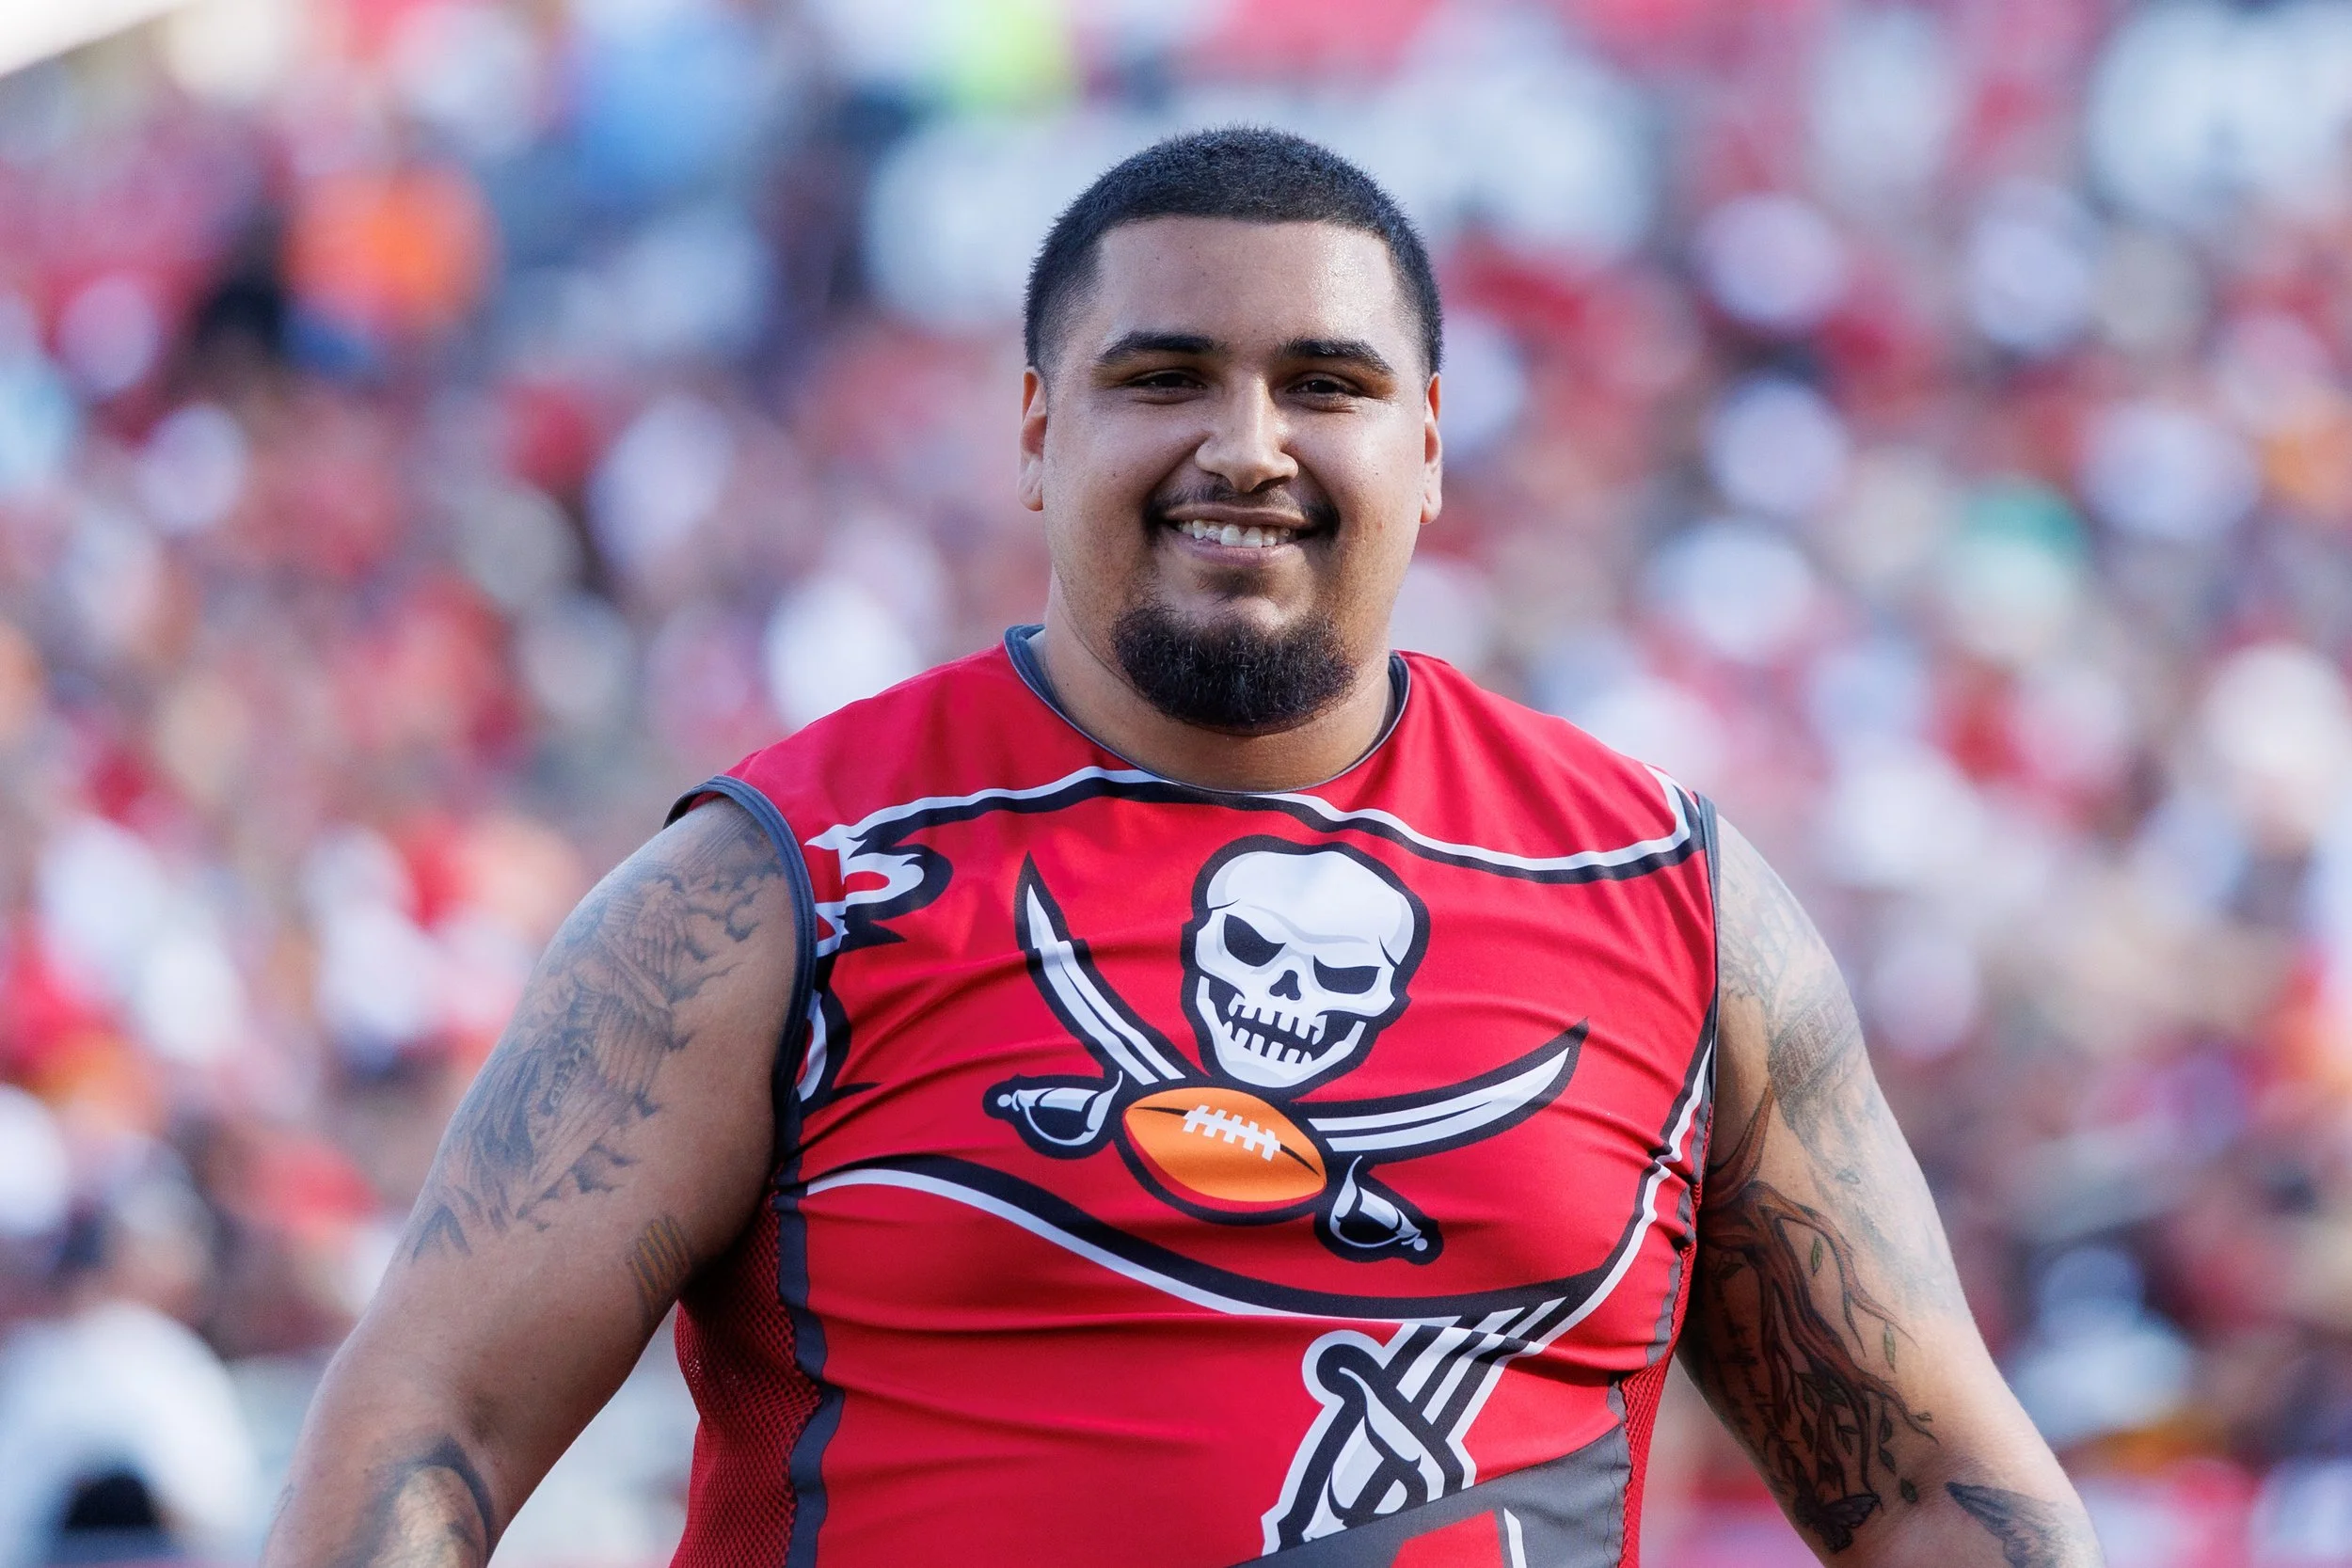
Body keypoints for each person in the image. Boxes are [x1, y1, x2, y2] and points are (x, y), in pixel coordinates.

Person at [265, 129, 2102, 1568]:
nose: (1247, 441)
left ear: (1431, 444)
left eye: (1326, 381)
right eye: (1164, 376)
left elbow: (1942, 1487)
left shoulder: (1664, 899)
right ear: (1037, 432)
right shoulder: (779, 885)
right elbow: (432, 1417)